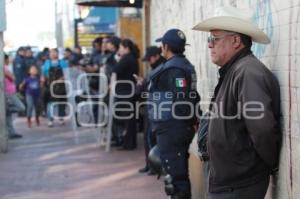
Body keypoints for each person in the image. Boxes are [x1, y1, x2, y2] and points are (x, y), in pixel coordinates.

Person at [192, 6, 281, 199]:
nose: (209, 45)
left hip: (238, 185)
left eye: (214, 39)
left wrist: (270, 162)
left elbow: (262, 129)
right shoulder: (236, 70)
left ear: (235, 41)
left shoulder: (247, 72)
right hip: (230, 182)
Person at [149, 29, 200, 198]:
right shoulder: (185, 65)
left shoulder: (174, 68)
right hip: (178, 128)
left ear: (166, 46)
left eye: (162, 45)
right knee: (175, 175)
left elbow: (182, 99)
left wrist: (189, 120)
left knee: (176, 180)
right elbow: (192, 96)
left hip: (174, 130)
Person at [135, 46, 166, 174]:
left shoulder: (162, 69)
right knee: (149, 138)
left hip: (158, 110)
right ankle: (150, 165)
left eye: (150, 58)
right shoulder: (156, 69)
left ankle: (155, 166)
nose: (149, 61)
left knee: (153, 139)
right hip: (152, 108)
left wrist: (143, 85)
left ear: (157, 56)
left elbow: (153, 89)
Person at [112, 39, 140, 150]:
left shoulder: (127, 58)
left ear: (126, 48)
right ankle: (127, 142)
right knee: (128, 119)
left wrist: (119, 60)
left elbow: (116, 69)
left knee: (127, 119)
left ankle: (128, 143)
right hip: (128, 91)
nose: (119, 50)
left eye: (121, 48)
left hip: (125, 92)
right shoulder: (131, 58)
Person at [41, 48, 68, 127]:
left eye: (54, 52)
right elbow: (43, 74)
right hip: (50, 86)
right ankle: (50, 119)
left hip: (61, 86)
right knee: (50, 102)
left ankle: (61, 118)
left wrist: (62, 78)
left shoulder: (63, 62)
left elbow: (66, 73)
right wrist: (43, 80)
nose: (52, 54)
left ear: (57, 54)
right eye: (51, 53)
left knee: (61, 102)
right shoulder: (47, 62)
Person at [4, 54, 26, 139]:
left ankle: (11, 133)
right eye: (8, 59)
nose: (9, 60)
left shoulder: (6, 67)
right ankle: (6, 110)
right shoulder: (3, 68)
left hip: (11, 92)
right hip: (8, 93)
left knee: (8, 115)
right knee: (21, 107)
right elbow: (13, 77)